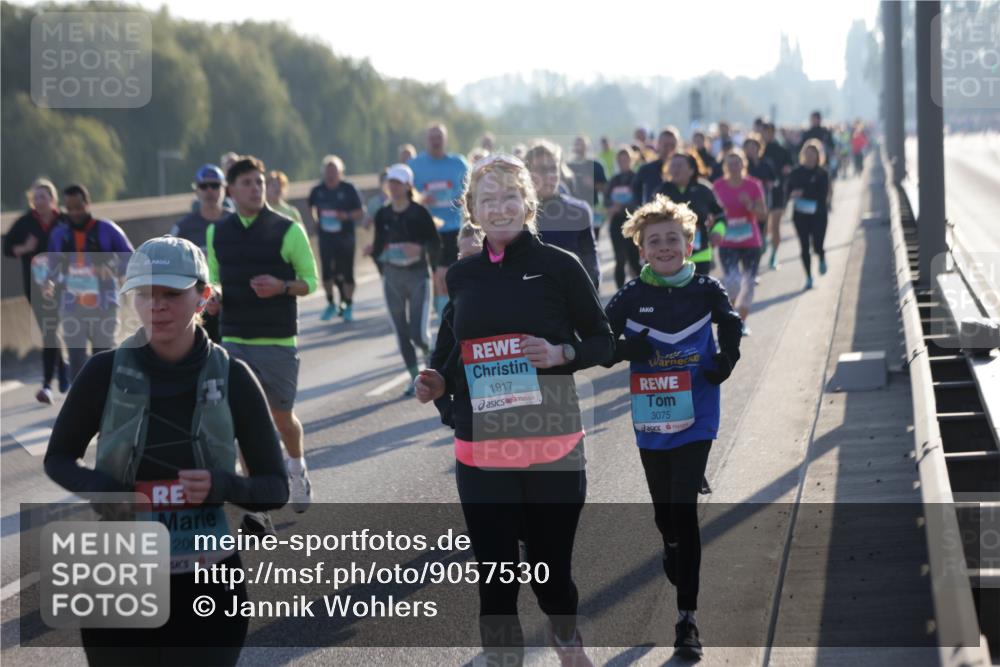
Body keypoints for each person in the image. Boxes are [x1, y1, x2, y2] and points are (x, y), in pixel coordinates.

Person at [44, 235, 288, 667]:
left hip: (209, 582)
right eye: (144, 294)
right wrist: (106, 490)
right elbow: (58, 457)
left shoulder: (233, 375)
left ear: (203, 297)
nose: (156, 306)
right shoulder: (103, 371)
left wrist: (221, 486)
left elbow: (275, 488)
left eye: (171, 294)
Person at [415, 153, 614, 666]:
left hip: (552, 443)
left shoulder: (560, 267)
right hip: (481, 446)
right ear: (472, 210)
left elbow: (604, 341)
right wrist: (438, 383)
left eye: (509, 196)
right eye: (488, 199)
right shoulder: (462, 276)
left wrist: (561, 354)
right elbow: (453, 356)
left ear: (528, 204)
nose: (499, 207)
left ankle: (565, 635)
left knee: (551, 575)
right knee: (496, 577)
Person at [604, 194, 742, 659]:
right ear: (641, 249)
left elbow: (731, 323)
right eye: (654, 241)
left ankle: (687, 619)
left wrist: (726, 360)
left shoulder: (706, 288)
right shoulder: (631, 295)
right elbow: (600, 339)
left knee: (683, 510)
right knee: (666, 516)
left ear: (689, 243)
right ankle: (670, 542)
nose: (664, 247)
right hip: (652, 417)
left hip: (698, 412)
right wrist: (627, 349)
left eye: (672, 239)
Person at [206, 155, 319, 514]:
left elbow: (310, 282)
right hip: (234, 339)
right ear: (231, 191)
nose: (256, 189)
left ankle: (297, 467)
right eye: (247, 183)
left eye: (259, 182)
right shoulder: (217, 232)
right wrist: (213, 298)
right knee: (243, 421)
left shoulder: (288, 229)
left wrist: (282, 286)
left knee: (282, 418)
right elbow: (214, 279)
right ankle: (256, 501)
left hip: (277, 341)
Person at [44, 184, 133, 382]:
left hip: (105, 303)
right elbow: (51, 266)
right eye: (70, 208)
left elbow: (130, 257)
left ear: (88, 203)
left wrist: (112, 270)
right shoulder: (59, 235)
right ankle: (79, 397)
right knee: (76, 358)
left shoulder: (108, 229)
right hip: (71, 305)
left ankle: (104, 395)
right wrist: (49, 281)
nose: (74, 213)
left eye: (78, 207)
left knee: (103, 355)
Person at [366, 163, 441, 396]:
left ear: (408, 185)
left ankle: (428, 352)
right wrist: (378, 259)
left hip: (418, 276)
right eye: (390, 181)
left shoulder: (419, 212)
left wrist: (419, 250)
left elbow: (435, 244)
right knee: (401, 332)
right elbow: (378, 247)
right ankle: (414, 377)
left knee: (418, 333)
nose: (393, 186)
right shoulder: (383, 214)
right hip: (392, 278)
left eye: (398, 182)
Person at [3, 178, 69, 402]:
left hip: (63, 283)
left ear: (53, 199)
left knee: (55, 328)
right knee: (49, 330)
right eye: (35, 197)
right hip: (35, 285)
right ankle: (54, 377)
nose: (38, 201)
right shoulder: (24, 222)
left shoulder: (64, 221)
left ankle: (56, 375)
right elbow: (7, 248)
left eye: (43, 197)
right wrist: (25, 248)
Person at [408, 124, 469, 317]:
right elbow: (405, 195)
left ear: (445, 140)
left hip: (453, 226)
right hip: (426, 227)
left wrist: (461, 200)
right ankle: (442, 307)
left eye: (439, 137)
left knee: (445, 272)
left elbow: (470, 191)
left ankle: (446, 312)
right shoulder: (414, 165)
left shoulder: (458, 163)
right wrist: (420, 199)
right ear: (426, 140)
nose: (436, 141)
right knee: (435, 274)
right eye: (432, 137)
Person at [524, 140, 601, 289]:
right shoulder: (516, 214)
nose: (549, 175)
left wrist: (588, 291)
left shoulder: (579, 210)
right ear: (527, 173)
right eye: (542, 169)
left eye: (554, 168)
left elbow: (591, 261)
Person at [170, 164, 229, 343]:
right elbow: (169, 262)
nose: (210, 191)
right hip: (196, 303)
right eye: (204, 186)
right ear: (196, 191)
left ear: (224, 189)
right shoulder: (183, 227)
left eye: (215, 185)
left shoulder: (236, 222)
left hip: (231, 301)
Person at [712, 151, 767, 335]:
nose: (734, 167)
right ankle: (732, 314)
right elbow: (711, 214)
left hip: (750, 241)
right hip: (728, 242)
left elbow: (763, 214)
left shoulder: (753, 185)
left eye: (737, 163)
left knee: (748, 283)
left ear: (743, 164)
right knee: (733, 282)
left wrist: (750, 204)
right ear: (725, 167)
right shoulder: (718, 186)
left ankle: (741, 321)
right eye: (730, 164)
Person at [308, 155, 364, 322]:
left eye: (334, 171)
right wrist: (315, 221)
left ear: (341, 172)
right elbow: (311, 206)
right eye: (328, 171)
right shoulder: (317, 190)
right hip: (326, 237)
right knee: (327, 272)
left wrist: (346, 216)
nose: (331, 174)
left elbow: (360, 212)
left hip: (345, 237)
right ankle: (331, 302)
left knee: (347, 273)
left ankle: (348, 304)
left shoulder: (349, 189)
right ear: (323, 172)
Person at [656, 152, 727, 276]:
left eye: (680, 166)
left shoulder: (703, 190)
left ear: (691, 170)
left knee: (698, 288)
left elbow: (721, 216)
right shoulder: (661, 191)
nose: (675, 169)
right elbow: (648, 220)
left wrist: (718, 231)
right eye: (673, 166)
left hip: (700, 255)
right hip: (670, 256)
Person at [786, 139, 832, 290]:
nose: (810, 156)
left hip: (818, 214)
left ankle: (821, 255)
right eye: (807, 153)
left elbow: (822, 195)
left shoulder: (822, 173)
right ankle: (808, 277)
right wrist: (792, 194)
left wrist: (804, 192)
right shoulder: (796, 172)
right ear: (803, 154)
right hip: (800, 215)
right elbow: (788, 190)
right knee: (804, 246)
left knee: (817, 245)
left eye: (813, 154)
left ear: (818, 156)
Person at [605, 147, 642, 287]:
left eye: (625, 159)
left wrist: (621, 207)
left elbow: (639, 201)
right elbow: (606, 200)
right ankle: (620, 291)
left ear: (631, 160)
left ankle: (641, 290)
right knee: (620, 260)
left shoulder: (636, 178)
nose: (623, 162)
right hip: (617, 223)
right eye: (620, 160)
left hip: (633, 222)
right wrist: (612, 206)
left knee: (634, 259)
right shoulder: (614, 180)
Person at [762, 122, 793, 270]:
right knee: (763, 226)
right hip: (761, 194)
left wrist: (787, 170)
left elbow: (789, 167)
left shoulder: (782, 150)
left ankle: (774, 255)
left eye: (769, 132)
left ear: (774, 133)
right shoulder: (757, 150)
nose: (766, 134)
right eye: (764, 132)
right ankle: (763, 243)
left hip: (778, 192)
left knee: (775, 226)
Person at [742, 134, 777, 256]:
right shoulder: (743, 165)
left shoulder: (766, 163)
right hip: (746, 199)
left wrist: (770, 184)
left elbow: (773, 179)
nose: (750, 149)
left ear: (758, 147)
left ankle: (761, 240)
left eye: (753, 146)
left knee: (762, 222)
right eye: (748, 147)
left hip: (763, 198)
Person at [632, 127, 679, 205]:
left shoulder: (683, 170)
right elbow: (636, 192)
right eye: (665, 145)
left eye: (672, 145)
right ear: (658, 144)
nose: (669, 149)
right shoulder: (646, 169)